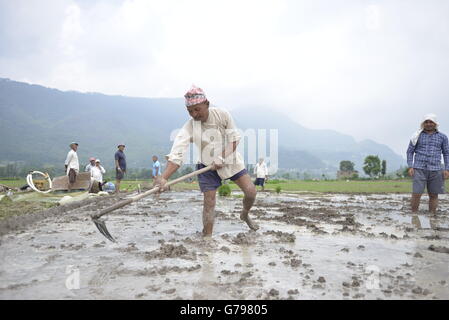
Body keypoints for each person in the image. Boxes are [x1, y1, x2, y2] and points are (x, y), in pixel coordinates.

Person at [154, 85, 258, 237]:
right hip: (206, 166)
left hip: (231, 160)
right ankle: (207, 238)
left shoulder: (222, 115)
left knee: (251, 192)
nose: (194, 114)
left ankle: (245, 213)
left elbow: (234, 140)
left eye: (197, 109)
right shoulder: (189, 127)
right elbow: (177, 154)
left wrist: (222, 157)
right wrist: (164, 178)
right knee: (209, 202)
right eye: (190, 111)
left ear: (207, 104)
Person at [406, 114, 449, 214]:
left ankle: (432, 215)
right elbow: (410, 151)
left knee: (434, 195)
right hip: (419, 168)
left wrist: (447, 169)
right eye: (426, 122)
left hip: (436, 169)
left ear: (435, 124)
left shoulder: (443, 137)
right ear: (423, 124)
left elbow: (446, 153)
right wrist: (410, 166)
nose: (428, 124)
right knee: (416, 193)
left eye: (431, 122)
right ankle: (414, 215)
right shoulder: (416, 136)